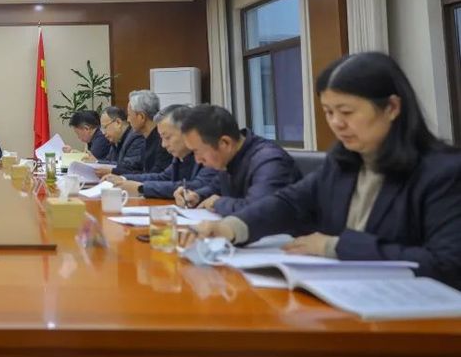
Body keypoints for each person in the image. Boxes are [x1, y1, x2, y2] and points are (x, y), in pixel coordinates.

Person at [186, 52, 461, 289]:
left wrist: (334, 247)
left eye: (346, 112)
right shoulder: (342, 165)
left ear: (391, 107)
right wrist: (231, 227)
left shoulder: (443, 173)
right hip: (343, 296)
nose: (336, 123)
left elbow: (447, 263)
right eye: (329, 112)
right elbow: (289, 203)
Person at [173, 104, 296, 216]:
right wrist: (197, 196)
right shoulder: (230, 158)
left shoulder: (269, 161)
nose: (197, 160)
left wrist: (218, 203)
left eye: (197, 151)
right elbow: (216, 187)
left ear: (224, 143)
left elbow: (258, 211)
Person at [103, 104, 217, 198]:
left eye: (167, 137)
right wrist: (123, 179)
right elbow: (163, 177)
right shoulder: (180, 156)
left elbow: (197, 186)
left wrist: (141, 188)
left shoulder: (209, 154)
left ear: (187, 133)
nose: (163, 144)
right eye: (162, 138)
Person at [93, 106, 144, 177]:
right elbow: (110, 162)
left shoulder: (136, 138)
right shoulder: (116, 140)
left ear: (118, 123)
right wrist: (96, 162)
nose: (103, 133)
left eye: (105, 127)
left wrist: (110, 171)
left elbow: (129, 168)